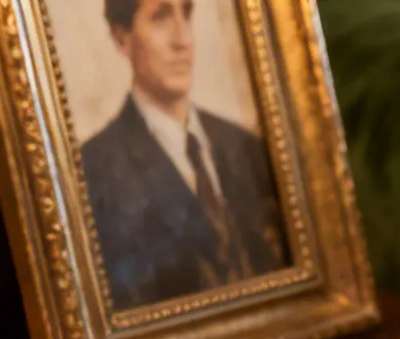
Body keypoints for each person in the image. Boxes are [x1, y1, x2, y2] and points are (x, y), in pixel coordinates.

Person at [81, 0, 289, 310]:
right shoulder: (93, 171)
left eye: (186, 14)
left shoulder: (244, 145)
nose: (183, 40)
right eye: (161, 17)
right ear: (121, 38)